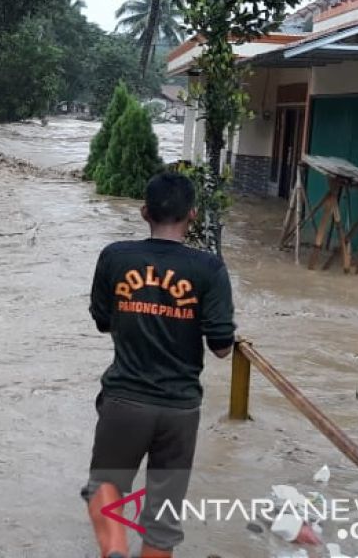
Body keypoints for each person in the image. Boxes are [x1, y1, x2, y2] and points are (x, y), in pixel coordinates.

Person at [81, 171, 236, 558]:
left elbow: (103, 320)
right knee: (163, 519)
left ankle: (115, 547)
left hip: (125, 401)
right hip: (181, 409)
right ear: (193, 215)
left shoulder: (116, 257)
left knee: (104, 487)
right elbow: (221, 346)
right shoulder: (209, 269)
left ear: (144, 212)